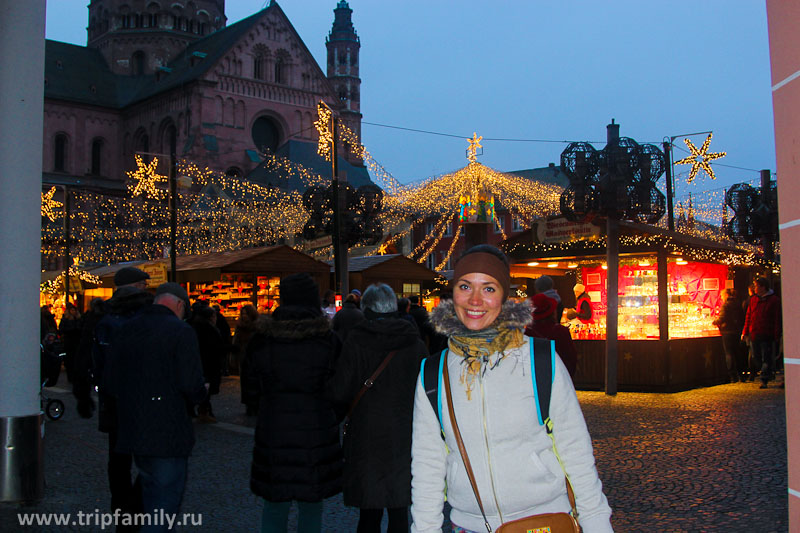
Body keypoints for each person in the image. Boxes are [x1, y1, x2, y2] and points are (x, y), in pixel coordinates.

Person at [410, 245, 613, 533]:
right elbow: (428, 465)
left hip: (543, 522)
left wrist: (597, 525)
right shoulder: (433, 373)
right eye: (465, 286)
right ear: (453, 293)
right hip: (469, 526)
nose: (475, 300)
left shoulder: (539, 361)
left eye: (489, 288)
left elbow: (576, 451)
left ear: (504, 297)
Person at [108, 282, 208, 532]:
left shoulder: (126, 329)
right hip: (168, 429)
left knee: (150, 493)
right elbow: (190, 383)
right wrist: (201, 393)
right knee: (163, 506)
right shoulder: (180, 332)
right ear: (179, 304)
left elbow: (109, 380)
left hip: (134, 427)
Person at [247, 273, 342, 533]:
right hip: (316, 430)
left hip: (274, 429)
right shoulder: (328, 340)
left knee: (274, 503)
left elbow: (251, 388)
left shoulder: (262, 339)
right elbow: (340, 388)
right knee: (311, 504)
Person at [328, 284, 427, 533]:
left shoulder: (356, 341)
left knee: (369, 511)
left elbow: (340, 391)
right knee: (399, 509)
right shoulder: (414, 343)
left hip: (366, 434)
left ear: (367, 309)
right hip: (405, 434)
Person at [79, 266, 153, 527]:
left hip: (113, 398)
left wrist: (90, 388)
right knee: (148, 456)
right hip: (142, 398)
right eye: (143, 284)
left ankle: (122, 508)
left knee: (118, 458)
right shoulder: (146, 315)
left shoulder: (101, 316)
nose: (146, 287)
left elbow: (91, 358)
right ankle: (131, 507)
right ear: (134, 286)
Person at [525, 293, 578, 379]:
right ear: (553, 312)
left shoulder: (526, 334)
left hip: (534, 382)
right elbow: (571, 360)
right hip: (559, 379)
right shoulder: (561, 332)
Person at [742, 277, 782, 389]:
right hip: (755, 333)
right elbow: (748, 316)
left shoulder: (774, 300)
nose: (755, 288)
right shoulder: (753, 300)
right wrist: (745, 331)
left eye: (756, 286)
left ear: (763, 287)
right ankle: (767, 372)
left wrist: (776, 334)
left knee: (766, 356)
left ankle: (764, 378)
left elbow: (776, 318)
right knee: (756, 356)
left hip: (767, 333)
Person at [191, 304, 224, 423]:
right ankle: (203, 411)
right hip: (209, 362)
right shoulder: (208, 330)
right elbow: (213, 347)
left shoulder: (197, 328)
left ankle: (203, 409)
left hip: (205, 362)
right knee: (206, 386)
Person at [713, 289, 746, 383]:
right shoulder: (738, 304)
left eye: (722, 295)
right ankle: (741, 374)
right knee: (737, 352)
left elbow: (722, 318)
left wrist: (715, 322)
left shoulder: (726, 305)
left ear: (726, 295)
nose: (722, 297)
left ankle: (732, 375)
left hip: (727, 331)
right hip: (736, 331)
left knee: (729, 353)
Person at [234, 304, 260, 415]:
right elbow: (236, 342)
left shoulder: (257, 328)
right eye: (242, 314)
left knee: (255, 381)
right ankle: (249, 404)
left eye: (246, 314)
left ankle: (255, 403)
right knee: (245, 381)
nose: (244, 316)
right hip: (243, 357)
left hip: (255, 357)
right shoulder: (240, 327)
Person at [58, 303, 83, 382]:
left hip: (76, 341)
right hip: (69, 342)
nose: (73, 312)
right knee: (70, 359)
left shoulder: (79, 319)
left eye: (74, 310)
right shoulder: (66, 319)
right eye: (72, 310)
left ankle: (75, 375)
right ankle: (71, 375)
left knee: (76, 359)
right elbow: (62, 329)